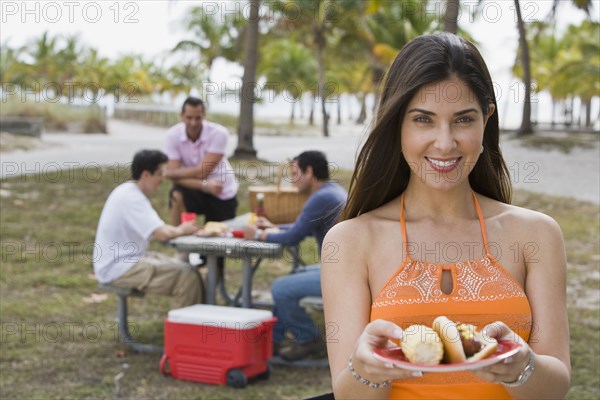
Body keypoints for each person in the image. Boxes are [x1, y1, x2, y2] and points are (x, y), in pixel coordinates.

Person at [322, 33, 570, 399]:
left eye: (463, 120)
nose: (444, 142)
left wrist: (522, 366)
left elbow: (555, 386)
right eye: (423, 119)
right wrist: (364, 369)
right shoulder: (350, 241)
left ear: (486, 118)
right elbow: (348, 394)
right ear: (398, 124)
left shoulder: (536, 235)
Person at [244, 151, 347, 362]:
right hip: (343, 269)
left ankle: (308, 339)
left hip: (341, 277)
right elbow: (303, 227)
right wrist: (275, 227)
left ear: (309, 172)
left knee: (280, 288)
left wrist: (257, 234)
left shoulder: (321, 198)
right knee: (297, 273)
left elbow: (293, 237)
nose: (292, 179)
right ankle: (275, 338)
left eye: (294, 173)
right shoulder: (332, 191)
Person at [93, 149, 203, 309]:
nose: (162, 178)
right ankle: (183, 330)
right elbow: (162, 234)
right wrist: (182, 229)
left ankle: (196, 321)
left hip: (126, 260)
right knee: (187, 277)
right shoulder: (132, 198)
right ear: (145, 175)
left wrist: (178, 229)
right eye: (159, 173)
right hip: (117, 268)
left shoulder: (128, 192)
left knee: (188, 268)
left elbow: (158, 228)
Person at [164, 96, 239, 226]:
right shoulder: (172, 135)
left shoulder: (219, 133)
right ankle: (178, 238)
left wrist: (172, 173)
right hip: (197, 187)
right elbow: (175, 176)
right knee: (176, 195)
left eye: (197, 118)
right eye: (189, 118)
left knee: (218, 239)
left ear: (204, 115)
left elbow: (201, 172)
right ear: (181, 116)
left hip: (220, 190)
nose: (193, 123)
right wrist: (204, 186)